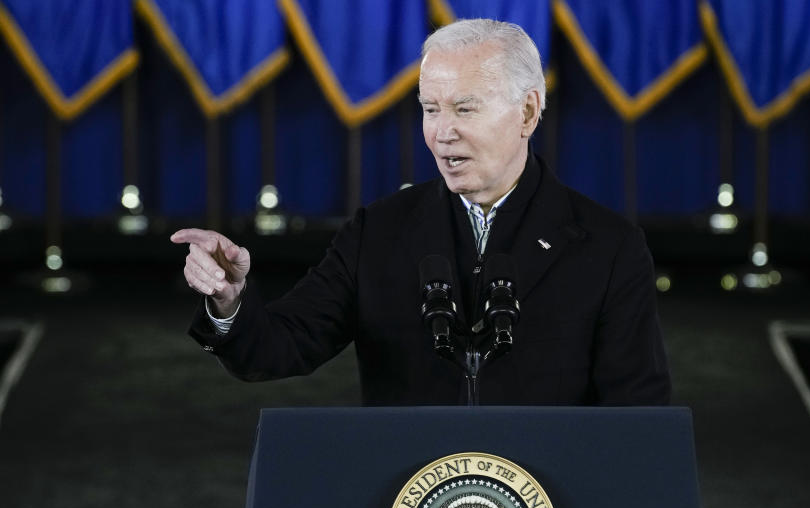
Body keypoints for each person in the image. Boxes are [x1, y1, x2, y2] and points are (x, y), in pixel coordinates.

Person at [171, 18, 670, 406]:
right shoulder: (379, 232)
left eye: (464, 108)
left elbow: (636, 414)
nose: (441, 132)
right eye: (431, 109)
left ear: (527, 111)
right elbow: (276, 349)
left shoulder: (608, 247)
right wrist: (230, 302)